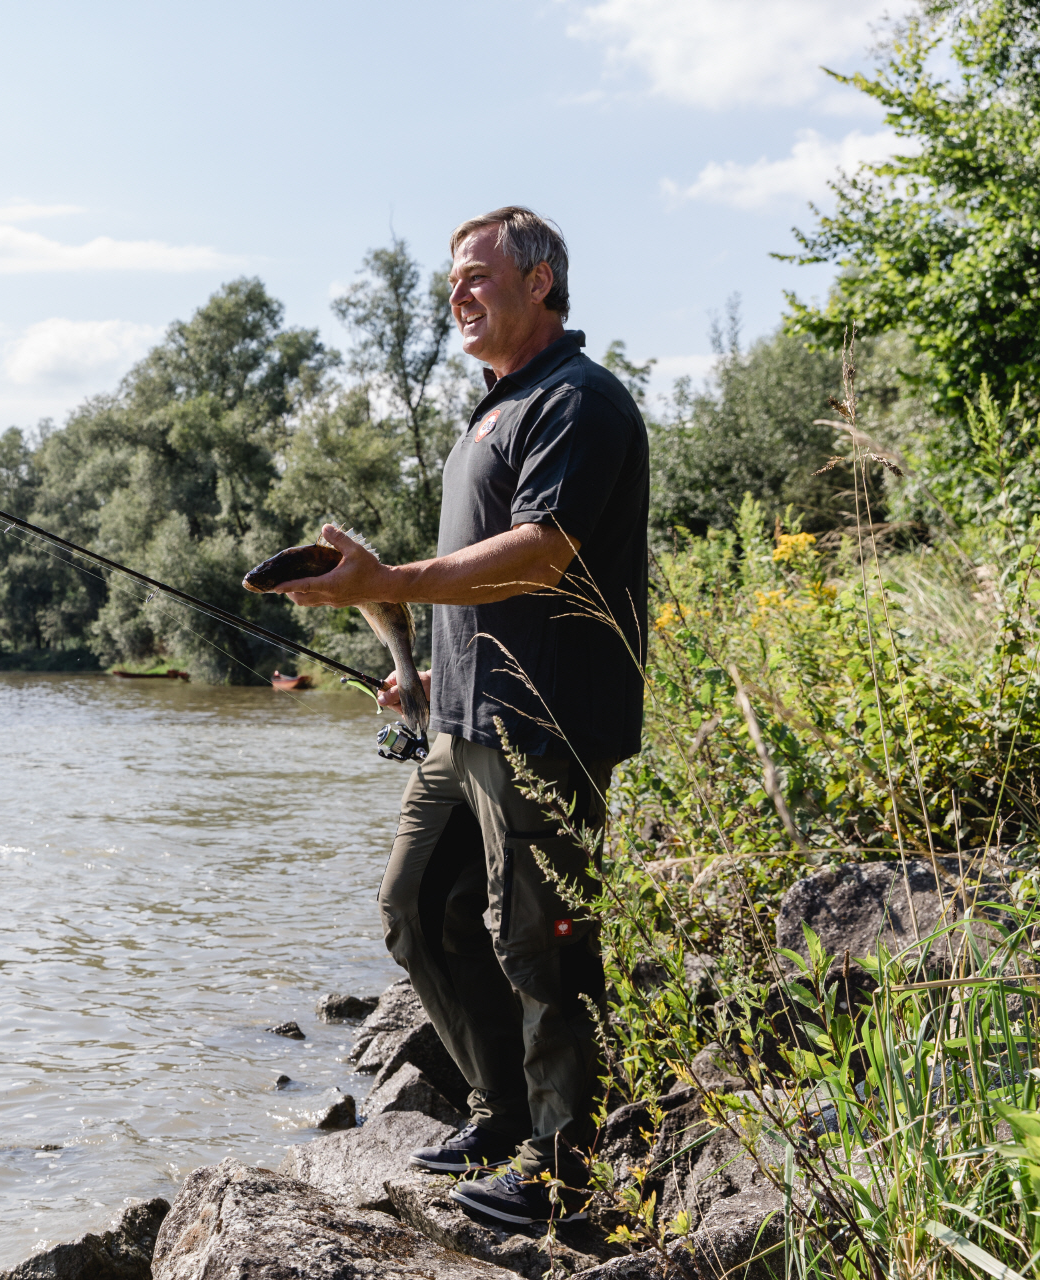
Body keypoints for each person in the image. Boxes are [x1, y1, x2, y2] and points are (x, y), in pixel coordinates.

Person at [271, 207, 648, 1226]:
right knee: (418, 910)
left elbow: (540, 554)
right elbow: (477, 595)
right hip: (461, 722)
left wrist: (389, 573)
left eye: (478, 276)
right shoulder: (493, 409)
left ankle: (569, 1167)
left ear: (541, 282)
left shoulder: (578, 399)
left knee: (544, 942)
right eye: (452, 283)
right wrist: (424, 676)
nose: (459, 296)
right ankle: (505, 1109)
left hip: (545, 723)